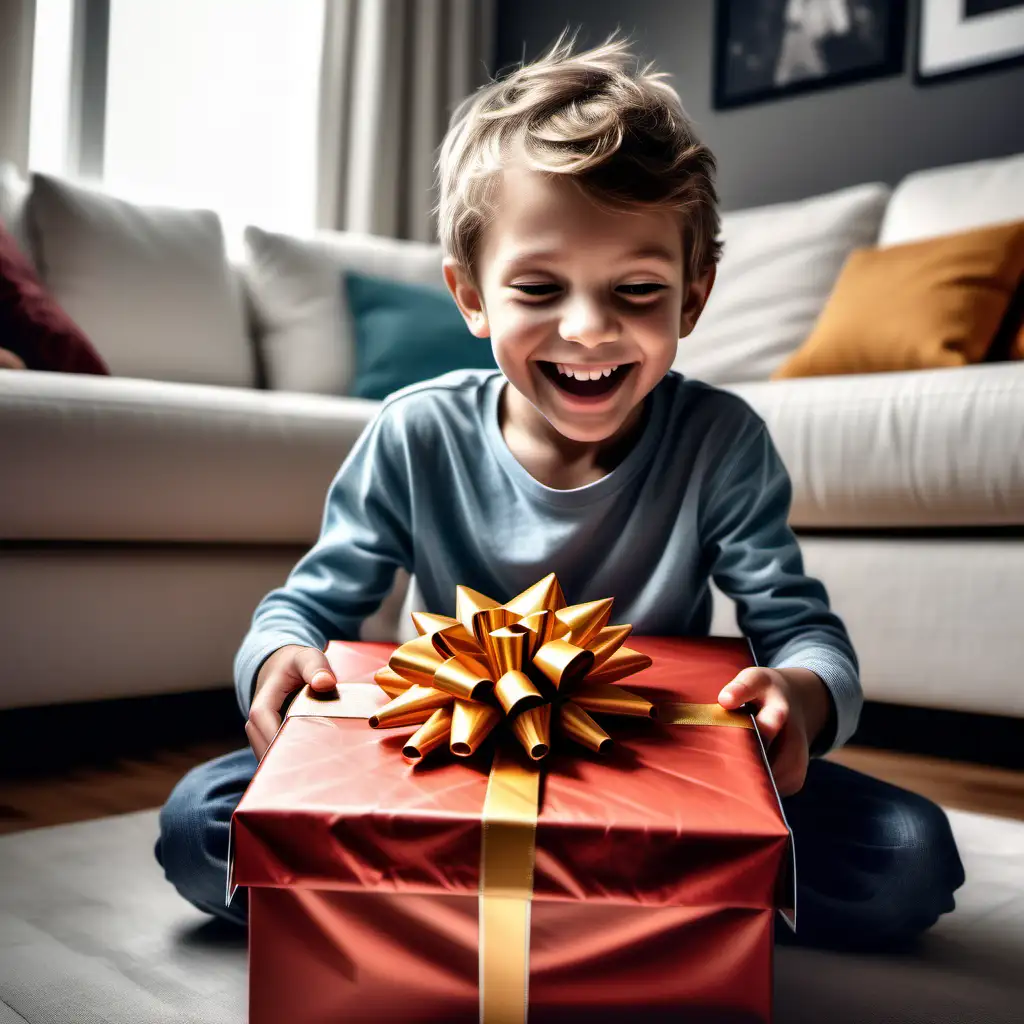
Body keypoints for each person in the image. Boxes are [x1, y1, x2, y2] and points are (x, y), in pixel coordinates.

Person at [156, 34, 963, 949]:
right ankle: (617, 911)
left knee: (907, 856)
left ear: (693, 301)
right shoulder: (415, 432)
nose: (588, 329)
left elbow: (802, 630)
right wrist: (278, 665)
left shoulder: (721, 441)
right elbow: (308, 606)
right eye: (538, 287)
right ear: (471, 297)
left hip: (660, 777)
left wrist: (800, 699)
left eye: (638, 289)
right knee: (201, 826)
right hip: (443, 770)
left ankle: (483, 907)